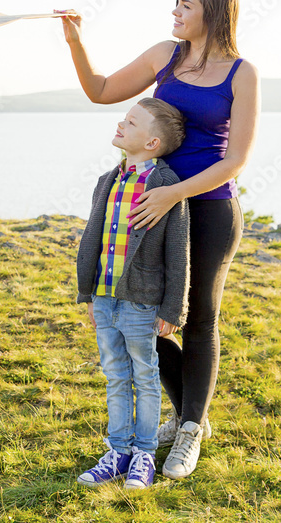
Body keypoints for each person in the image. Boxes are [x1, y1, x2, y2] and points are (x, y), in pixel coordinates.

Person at [59, 0, 260, 479]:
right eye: (175, 3)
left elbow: (235, 159)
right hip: (155, 207)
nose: (175, 12)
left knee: (199, 317)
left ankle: (190, 427)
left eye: (185, 5)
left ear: (213, 12)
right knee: (145, 315)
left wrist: (174, 192)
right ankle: (188, 409)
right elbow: (101, 90)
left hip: (208, 208)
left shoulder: (242, 73)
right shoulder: (164, 56)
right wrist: (76, 41)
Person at [75, 97, 190, 490]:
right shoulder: (108, 180)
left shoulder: (166, 185)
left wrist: (174, 307)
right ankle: (118, 451)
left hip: (142, 301)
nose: (120, 125)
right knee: (114, 376)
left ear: (152, 143)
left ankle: (144, 454)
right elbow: (93, 237)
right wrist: (87, 294)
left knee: (144, 374)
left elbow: (178, 253)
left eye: (131, 122)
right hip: (105, 299)